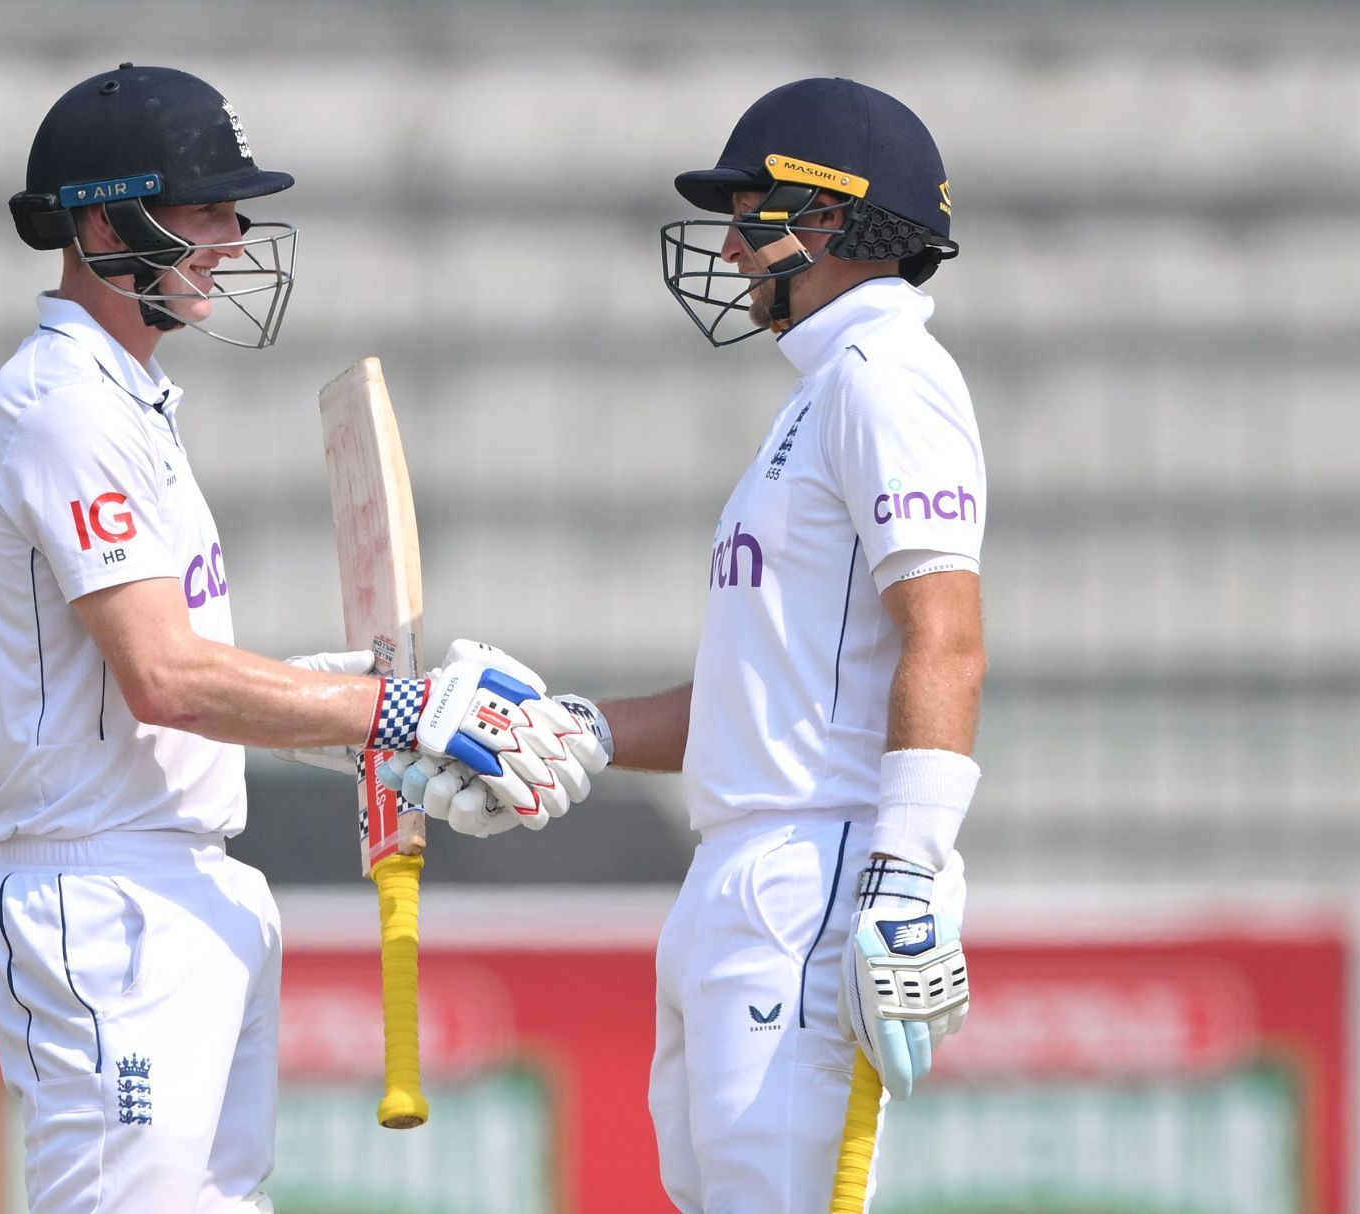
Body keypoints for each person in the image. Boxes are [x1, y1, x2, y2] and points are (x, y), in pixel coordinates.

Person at [0, 64, 602, 1214]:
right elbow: (163, 676)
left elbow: (154, 677)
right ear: (104, 222)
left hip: (179, 877)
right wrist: (395, 712)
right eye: (204, 208)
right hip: (103, 893)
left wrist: (331, 700)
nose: (234, 236)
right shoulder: (59, 405)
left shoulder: (126, 401)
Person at [387, 77, 986, 1212]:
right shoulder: (818, 397)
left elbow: (948, 640)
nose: (728, 242)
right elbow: (764, 696)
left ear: (829, 217)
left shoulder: (888, 377)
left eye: (751, 209)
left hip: (815, 877)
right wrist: (584, 729)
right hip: (744, 872)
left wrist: (908, 875)